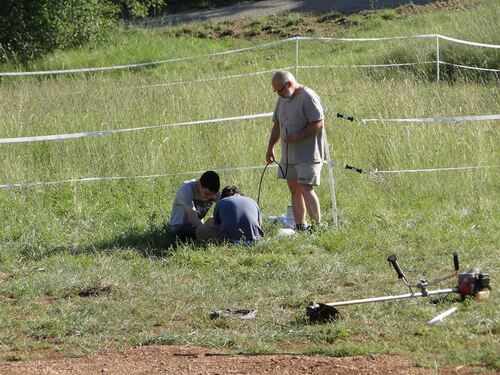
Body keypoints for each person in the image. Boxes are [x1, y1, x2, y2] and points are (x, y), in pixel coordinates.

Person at [266, 70, 325, 231]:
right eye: (276, 91)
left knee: (306, 188)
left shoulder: (308, 96)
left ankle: (318, 228)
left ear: (289, 84)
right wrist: (270, 147)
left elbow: (318, 122)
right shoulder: (283, 99)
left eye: (280, 90)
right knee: (294, 190)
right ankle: (300, 227)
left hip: (308, 154)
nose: (278, 94)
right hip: (288, 155)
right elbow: (277, 124)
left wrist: (298, 135)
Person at [196, 186, 264, 244]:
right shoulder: (252, 200)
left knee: (200, 230)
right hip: (255, 239)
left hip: (231, 241)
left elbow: (215, 225)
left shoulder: (221, 202)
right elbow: (259, 223)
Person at [168, 170, 220, 240]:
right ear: (199, 184)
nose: (210, 197)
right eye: (207, 194)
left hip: (198, 226)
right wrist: (206, 230)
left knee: (215, 223)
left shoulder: (216, 193)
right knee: (213, 233)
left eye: (213, 195)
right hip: (180, 227)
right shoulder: (186, 188)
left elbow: (223, 211)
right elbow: (192, 217)